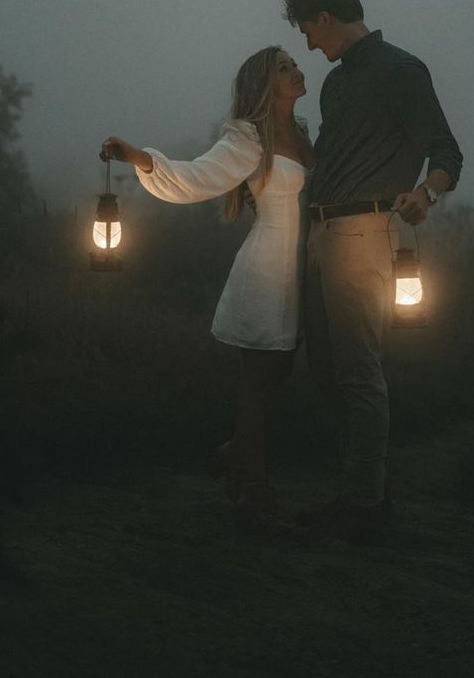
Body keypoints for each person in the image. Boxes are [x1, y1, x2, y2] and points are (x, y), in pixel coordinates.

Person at [100, 46, 314, 531]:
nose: (297, 70)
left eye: (294, 63)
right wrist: (138, 156)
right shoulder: (248, 138)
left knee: (279, 371)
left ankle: (236, 451)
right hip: (266, 268)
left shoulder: (301, 134)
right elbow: (197, 177)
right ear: (263, 84)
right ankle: (253, 491)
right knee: (258, 382)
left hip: (299, 270)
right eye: (284, 67)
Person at [283, 0, 463, 541]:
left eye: (308, 31)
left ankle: (364, 504)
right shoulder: (336, 86)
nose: (308, 45)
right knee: (325, 368)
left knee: (358, 370)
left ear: (327, 18)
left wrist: (426, 192)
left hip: (364, 233)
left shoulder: (402, 70)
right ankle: (359, 490)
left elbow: (447, 151)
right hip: (317, 232)